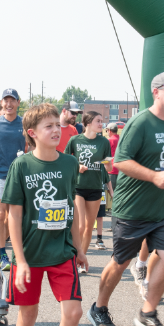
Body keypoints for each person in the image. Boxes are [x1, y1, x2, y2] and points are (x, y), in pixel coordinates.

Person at [87, 71, 164, 326]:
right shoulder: (140, 123)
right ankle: (99, 307)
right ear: (156, 92)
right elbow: (120, 161)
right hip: (131, 210)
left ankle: (148, 312)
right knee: (120, 263)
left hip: (162, 210)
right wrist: (154, 176)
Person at [3, 103, 86, 326]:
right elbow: (13, 214)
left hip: (61, 252)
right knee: (28, 316)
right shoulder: (21, 166)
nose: (55, 130)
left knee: (74, 312)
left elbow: (71, 209)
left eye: (57, 125)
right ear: (32, 133)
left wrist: (79, 248)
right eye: (48, 126)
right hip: (30, 255)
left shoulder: (69, 164)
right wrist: (20, 259)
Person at [66, 111, 113, 271]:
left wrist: (108, 164)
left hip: (95, 187)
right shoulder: (75, 140)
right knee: (79, 227)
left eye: (102, 121)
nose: (101, 124)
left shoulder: (104, 142)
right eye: (98, 121)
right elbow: (65, 160)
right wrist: (77, 167)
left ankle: (81, 259)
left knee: (88, 227)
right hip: (78, 187)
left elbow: (109, 166)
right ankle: (72, 259)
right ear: (87, 123)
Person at [0, 89, 24, 270]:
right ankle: (2, 254)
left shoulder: (24, 124)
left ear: (18, 102)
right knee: (0, 214)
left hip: (18, 176)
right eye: (5, 101)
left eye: (12, 100)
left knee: (12, 216)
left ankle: (12, 248)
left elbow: (32, 147)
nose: (9, 104)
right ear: (1, 103)